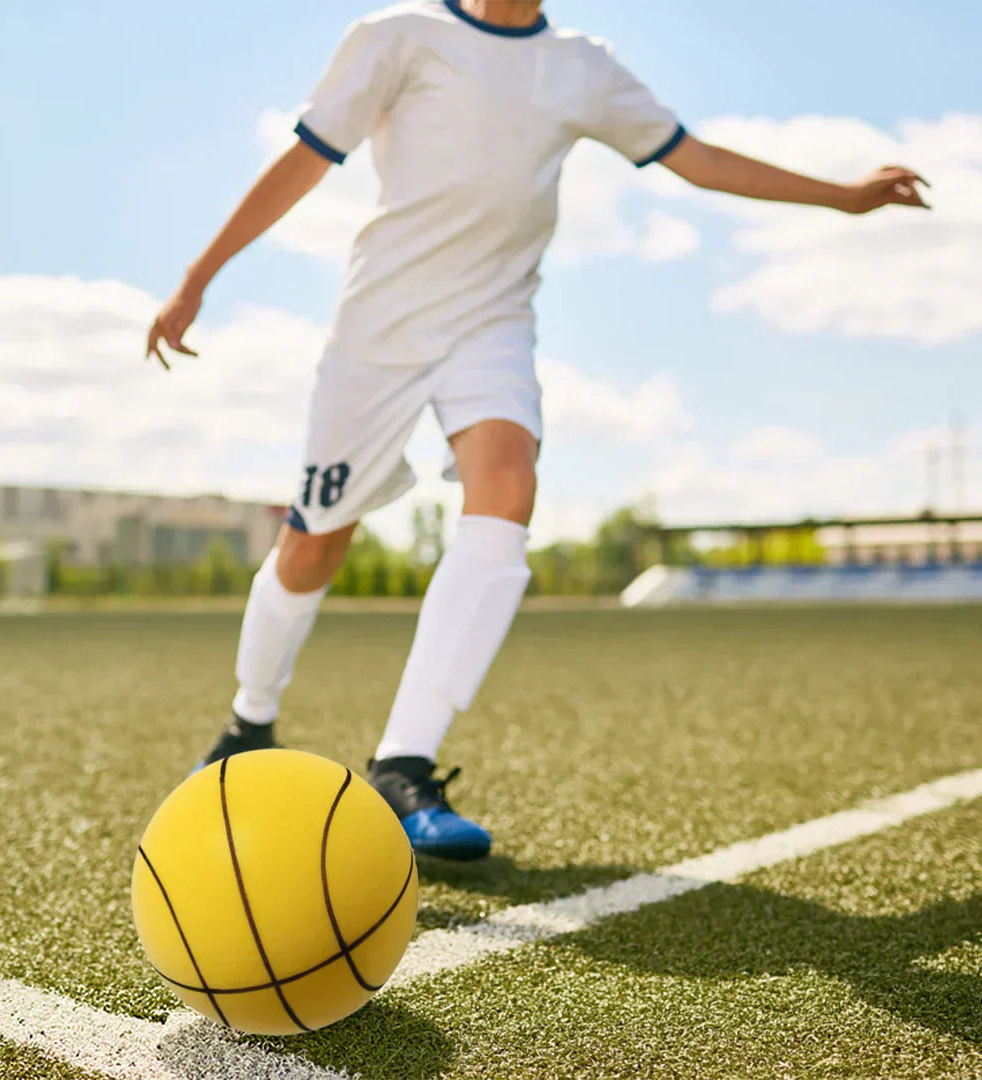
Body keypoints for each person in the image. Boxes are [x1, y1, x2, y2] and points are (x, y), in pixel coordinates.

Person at [146, 0, 929, 861]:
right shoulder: (398, 36)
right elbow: (305, 160)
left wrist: (844, 198)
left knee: (508, 488)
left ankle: (404, 764)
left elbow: (695, 158)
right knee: (315, 545)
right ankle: (249, 721)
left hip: (491, 324)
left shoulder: (582, 66)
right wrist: (197, 277)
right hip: (377, 335)